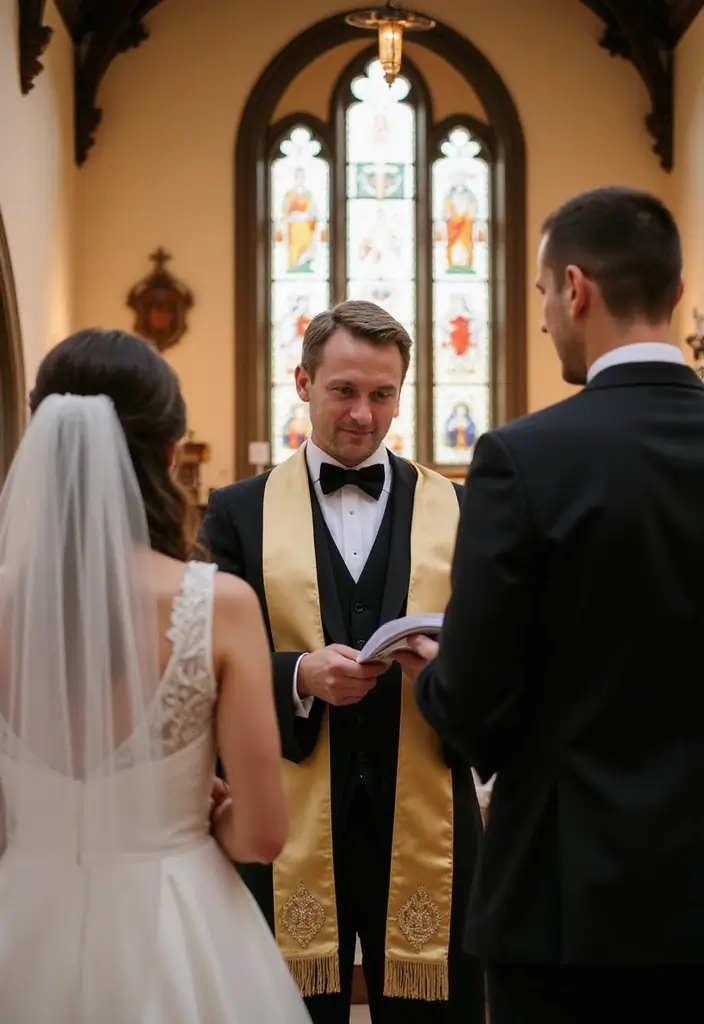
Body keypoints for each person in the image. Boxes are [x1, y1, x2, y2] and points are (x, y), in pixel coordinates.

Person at [412, 186, 704, 1023]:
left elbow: (473, 706)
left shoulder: (525, 458)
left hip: (569, 903)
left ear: (575, 288)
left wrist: (439, 678)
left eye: (543, 294)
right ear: (675, 293)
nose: (543, 318)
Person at [0, 329, 312, 1024]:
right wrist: (194, 812)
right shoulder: (217, 604)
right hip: (174, 921)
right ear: (170, 454)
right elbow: (263, 834)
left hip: (21, 918)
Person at [201, 300, 485, 1024]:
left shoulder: (460, 508)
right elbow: (201, 664)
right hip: (285, 811)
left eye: (382, 394)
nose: (363, 413)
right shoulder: (237, 512)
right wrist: (299, 676)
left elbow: (502, 655)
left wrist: (449, 670)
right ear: (303, 381)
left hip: (429, 819)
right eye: (344, 390)